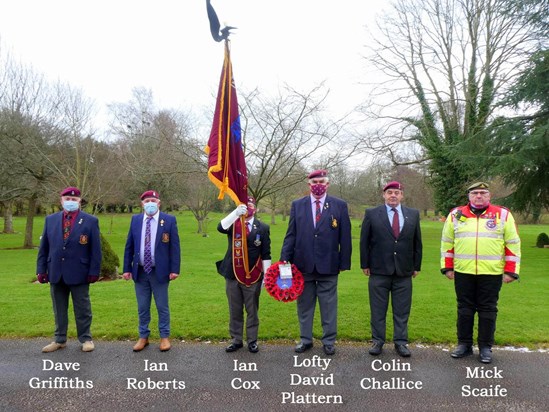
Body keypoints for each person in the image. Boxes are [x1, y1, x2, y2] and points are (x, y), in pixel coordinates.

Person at [441, 182, 521, 364]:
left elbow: (513, 244)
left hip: (491, 273)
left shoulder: (502, 214)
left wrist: (511, 271)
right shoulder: (456, 214)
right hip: (463, 271)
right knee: (464, 309)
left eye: (483, 193)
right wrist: (447, 267)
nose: (479, 196)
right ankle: (464, 344)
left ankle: (485, 347)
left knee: (488, 310)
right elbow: (447, 242)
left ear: (489, 196)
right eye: (475, 193)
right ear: (468, 196)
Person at [280, 170, 352, 356]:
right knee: (304, 305)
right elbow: (291, 234)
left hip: (329, 264)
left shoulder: (340, 205)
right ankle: (305, 340)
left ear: (327, 184)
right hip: (303, 265)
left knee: (328, 306)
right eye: (314, 182)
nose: (317, 184)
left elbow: (345, 237)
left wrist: (344, 262)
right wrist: (284, 259)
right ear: (309, 184)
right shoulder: (298, 205)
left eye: (321, 181)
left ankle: (328, 341)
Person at [360, 181, 422, 357]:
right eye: (389, 192)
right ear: (384, 195)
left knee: (402, 310)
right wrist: (365, 264)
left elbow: (417, 242)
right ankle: (377, 341)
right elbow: (364, 241)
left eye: (396, 192)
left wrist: (416, 265)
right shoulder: (372, 214)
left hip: (404, 271)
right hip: (378, 270)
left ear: (402, 195)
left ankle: (400, 342)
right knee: (378, 309)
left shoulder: (413, 214)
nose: (393, 195)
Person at [36, 187, 102, 353]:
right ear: (61, 201)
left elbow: (95, 250)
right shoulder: (50, 220)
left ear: (80, 201)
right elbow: (44, 248)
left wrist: (94, 271)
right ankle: (59, 339)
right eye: (67, 198)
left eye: (74, 199)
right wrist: (41, 269)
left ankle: (86, 338)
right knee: (58, 308)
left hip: (79, 271)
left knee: (82, 308)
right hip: (55, 271)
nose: (70, 201)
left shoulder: (90, 221)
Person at [123, 190, 181, 352]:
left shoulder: (168, 221)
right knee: (142, 306)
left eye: (153, 201)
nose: (150, 204)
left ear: (159, 203)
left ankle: (164, 337)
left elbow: (174, 247)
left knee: (162, 306)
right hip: (140, 272)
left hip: (160, 272)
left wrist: (174, 269)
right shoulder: (136, 220)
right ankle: (143, 336)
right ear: (142, 204)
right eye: (147, 201)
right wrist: (127, 268)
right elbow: (129, 246)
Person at [216, 197, 271, 353]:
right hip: (232, 274)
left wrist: (266, 275)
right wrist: (235, 212)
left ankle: (252, 340)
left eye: (250, 206)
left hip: (252, 275)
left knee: (252, 309)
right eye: (245, 206)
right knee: (235, 308)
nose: (248, 208)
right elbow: (220, 227)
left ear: (256, 209)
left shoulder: (263, 228)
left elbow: (266, 253)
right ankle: (236, 339)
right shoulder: (234, 224)